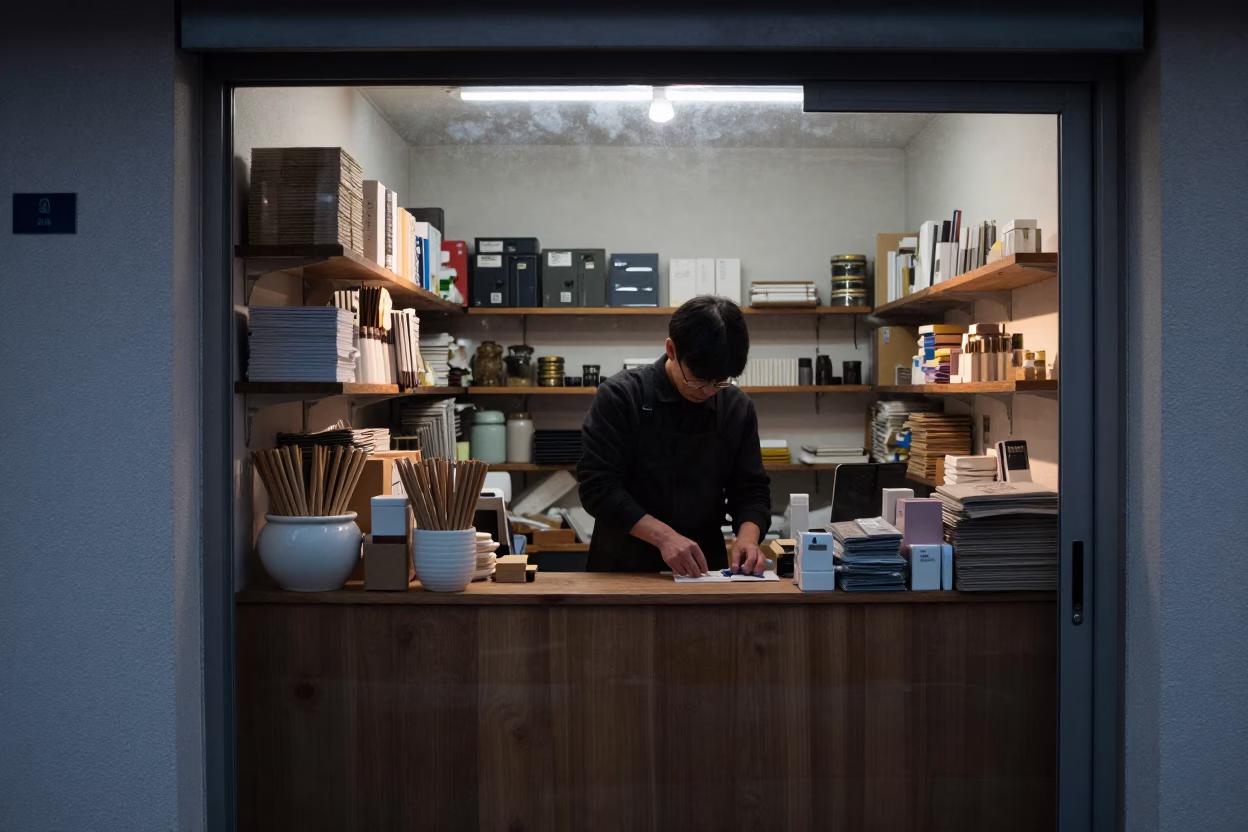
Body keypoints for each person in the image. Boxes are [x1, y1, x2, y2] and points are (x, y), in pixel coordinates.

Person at [577, 296, 772, 576]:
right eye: (698, 379)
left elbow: (751, 490)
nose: (707, 391)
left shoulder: (735, 407)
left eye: (719, 382)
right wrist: (664, 538)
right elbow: (598, 489)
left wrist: (748, 538)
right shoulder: (621, 396)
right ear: (671, 349)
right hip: (622, 569)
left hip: (705, 570)